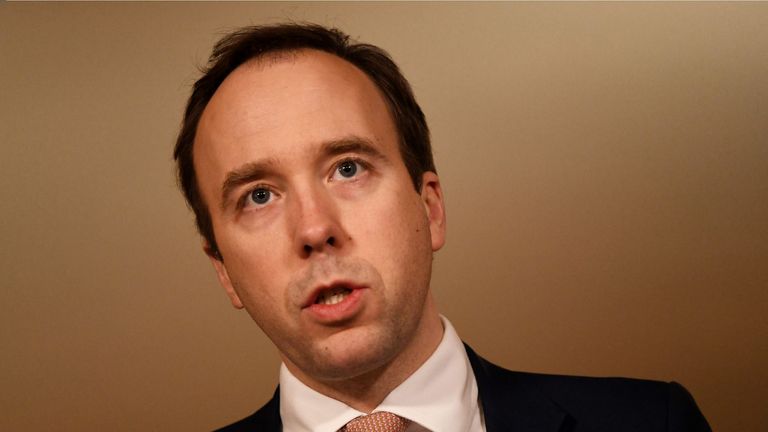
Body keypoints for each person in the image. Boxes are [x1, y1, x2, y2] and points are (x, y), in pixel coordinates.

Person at [174, 23, 711, 432]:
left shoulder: (653, 422)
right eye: (259, 196)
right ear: (222, 269)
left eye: (348, 168)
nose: (314, 229)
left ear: (429, 208)